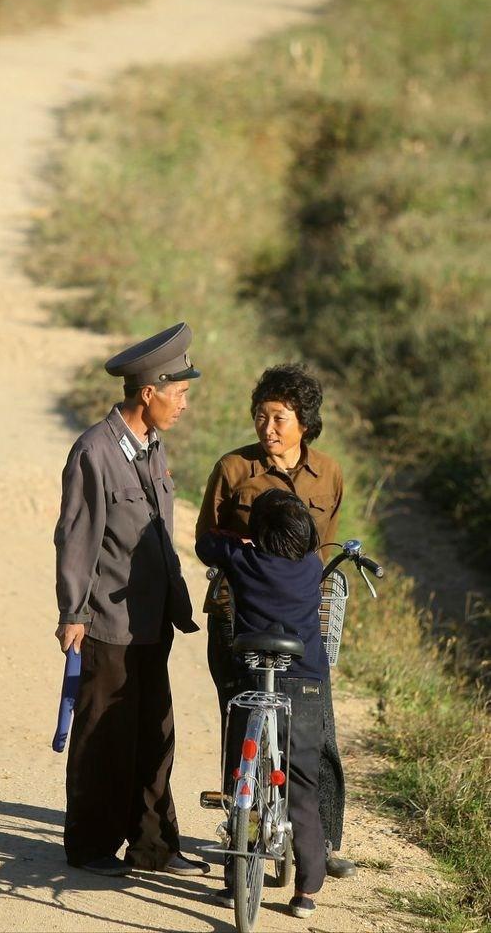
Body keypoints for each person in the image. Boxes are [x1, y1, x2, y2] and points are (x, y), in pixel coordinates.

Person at [54, 322, 209, 878]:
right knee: (103, 737)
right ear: (149, 392)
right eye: (180, 393)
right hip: (107, 624)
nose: (185, 404)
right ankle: (92, 846)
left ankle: (154, 846)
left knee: (154, 734)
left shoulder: (150, 447)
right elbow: (77, 536)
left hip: (150, 622)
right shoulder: (95, 451)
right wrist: (73, 612)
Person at [196, 363, 356, 880]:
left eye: (279, 417)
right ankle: (239, 841)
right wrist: (238, 552)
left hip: (302, 623)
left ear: (304, 423)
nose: (267, 427)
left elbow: (323, 546)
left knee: (317, 729)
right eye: (261, 416)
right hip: (236, 618)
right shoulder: (232, 469)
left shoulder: (329, 473)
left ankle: (321, 842)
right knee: (239, 723)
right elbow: (204, 540)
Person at [196, 489, 328, 919]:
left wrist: (239, 540)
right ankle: (306, 890)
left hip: (253, 673)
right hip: (304, 682)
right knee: (303, 783)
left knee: (241, 781)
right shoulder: (311, 567)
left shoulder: (242, 559)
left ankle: (237, 879)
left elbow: (206, 543)